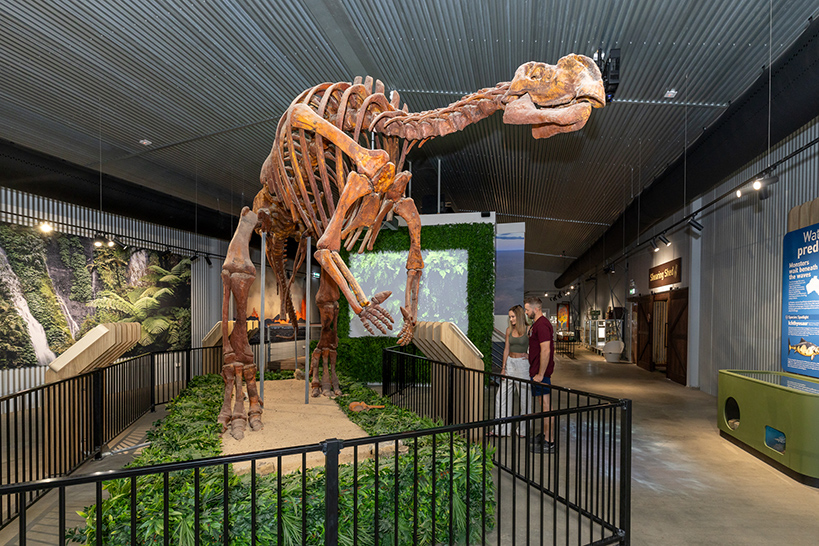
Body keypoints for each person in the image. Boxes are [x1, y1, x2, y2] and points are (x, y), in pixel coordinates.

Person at [491, 305, 531, 437]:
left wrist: (529, 355)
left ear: (519, 316)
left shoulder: (529, 329)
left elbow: (537, 347)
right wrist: (503, 368)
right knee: (501, 397)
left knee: (525, 399)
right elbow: (506, 349)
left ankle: (523, 431)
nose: (511, 319)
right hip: (510, 364)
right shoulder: (509, 330)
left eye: (513, 316)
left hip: (523, 365)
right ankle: (501, 430)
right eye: (510, 317)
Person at [525, 296, 555, 453]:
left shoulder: (542, 324)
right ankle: (544, 435)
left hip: (541, 373)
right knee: (542, 405)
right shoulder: (536, 324)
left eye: (527, 309)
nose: (526, 312)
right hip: (536, 370)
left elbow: (546, 350)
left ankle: (550, 442)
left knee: (546, 406)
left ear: (535, 309)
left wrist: (541, 374)